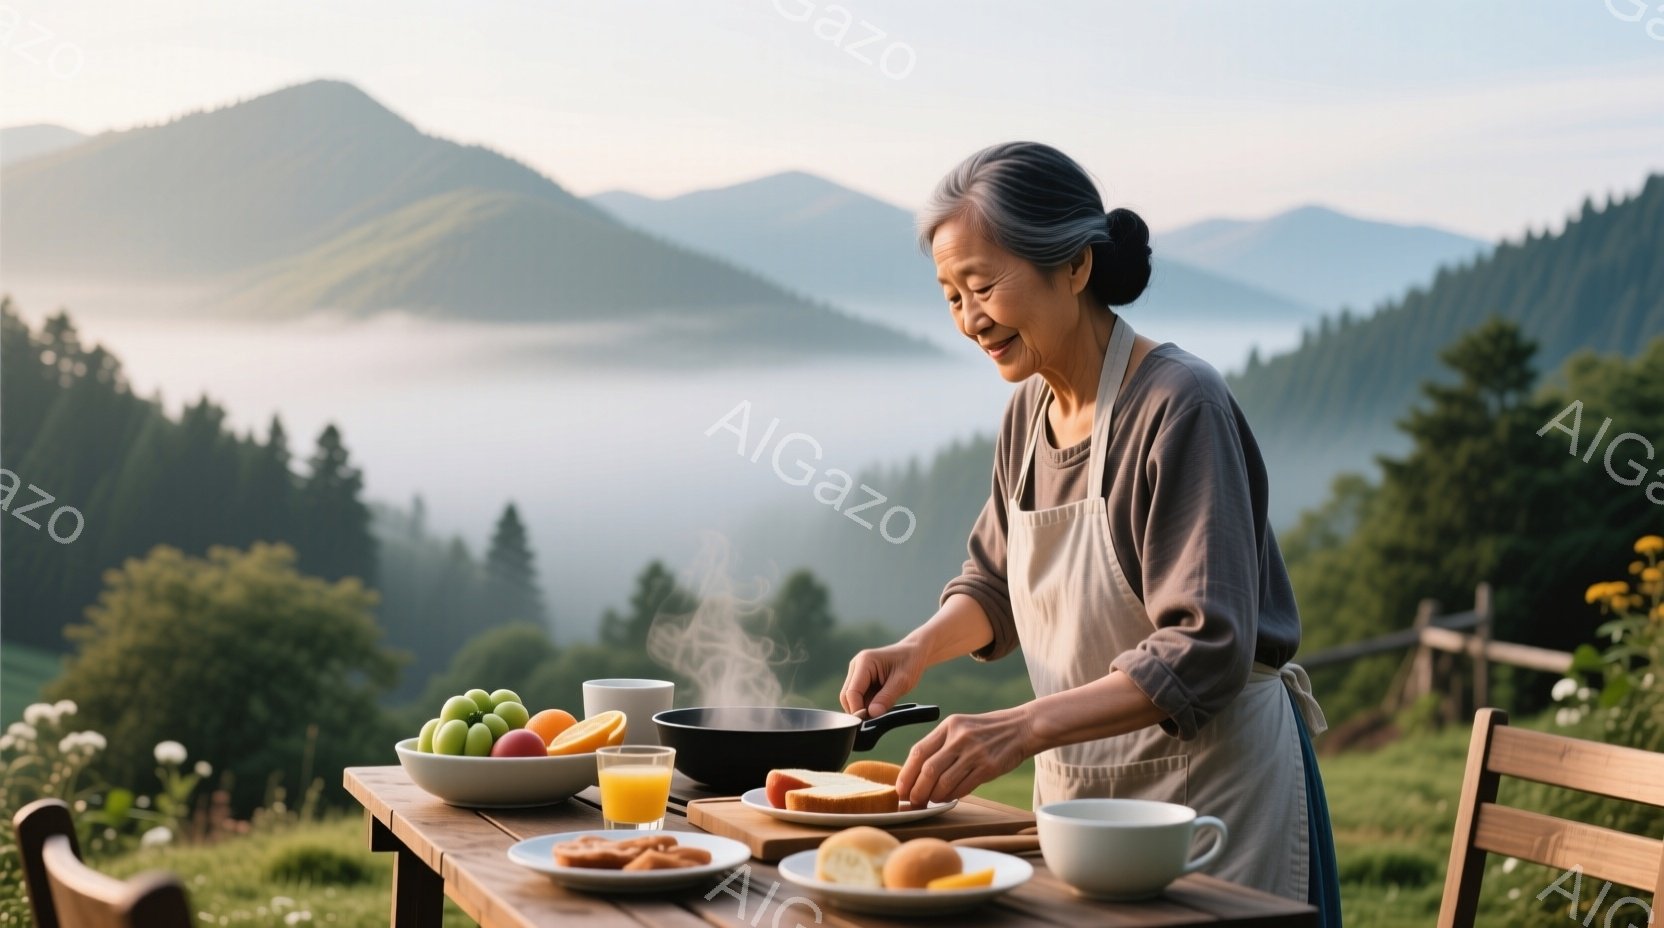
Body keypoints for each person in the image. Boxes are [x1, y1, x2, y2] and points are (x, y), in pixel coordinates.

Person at [839, 141, 1341, 920]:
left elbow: (1205, 646)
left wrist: (1021, 726)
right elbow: (993, 584)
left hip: (1210, 804)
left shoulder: (1179, 405)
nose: (970, 319)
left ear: (1074, 266)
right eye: (949, 295)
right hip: (1082, 806)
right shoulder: (1028, 414)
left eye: (983, 285)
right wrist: (917, 650)